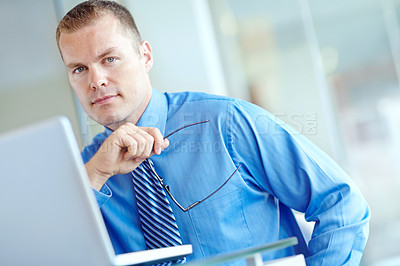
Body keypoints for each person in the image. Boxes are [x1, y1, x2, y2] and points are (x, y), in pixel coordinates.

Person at [56, 1, 370, 265]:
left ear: (145, 56)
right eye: (79, 69)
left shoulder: (225, 123)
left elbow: (341, 202)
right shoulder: (85, 174)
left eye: (109, 59)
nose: (95, 81)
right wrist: (94, 175)